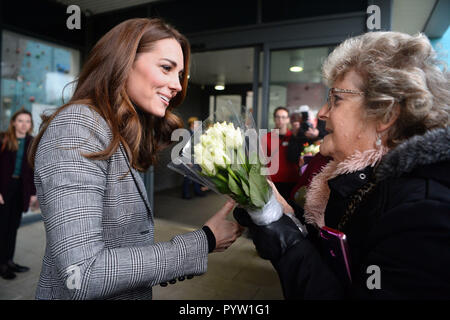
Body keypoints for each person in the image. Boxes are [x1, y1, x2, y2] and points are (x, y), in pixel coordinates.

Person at [28, 18, 242, 300]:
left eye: (180, 75)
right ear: (123, 61)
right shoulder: (77, 127)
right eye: (166, 68)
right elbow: (82, 274)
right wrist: (203, 241)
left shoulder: (110, 130)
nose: (177, 85)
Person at [235, 31, 450, 299]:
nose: (322, 113)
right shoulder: (363, 179)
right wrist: (281, 214)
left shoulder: (426, 214)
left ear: (385, 114)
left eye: (336, 99)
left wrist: (286, 242)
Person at [0, 108, 37, 280]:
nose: (24, 124)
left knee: (13, 227)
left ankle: (9, 261)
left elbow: (31, 170)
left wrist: (32, 193)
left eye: (27, 121)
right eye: (20, 120)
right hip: (4, 189)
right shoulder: (4, 139)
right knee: (2, 228)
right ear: (14, 122)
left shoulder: (31, 141)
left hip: (20, 189)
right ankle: (2, 264)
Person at [262, 106, 299, 201]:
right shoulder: (266, 137)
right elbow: (262, 161)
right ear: (274, 119)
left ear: (288, 119)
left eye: (283, 117)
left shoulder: (295, 137)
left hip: (292, 180)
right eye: (278, 117)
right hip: (273, 181)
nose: (280, 120)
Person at [182, 116, 206, 199]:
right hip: (189, 158)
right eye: (196, 123)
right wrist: (188, 161)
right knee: (187, 177)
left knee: (196, 176)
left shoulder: (196, 133)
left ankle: (197, 191)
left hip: (196, 157)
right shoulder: (187, 133)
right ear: (192, 124)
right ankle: (186, 194)